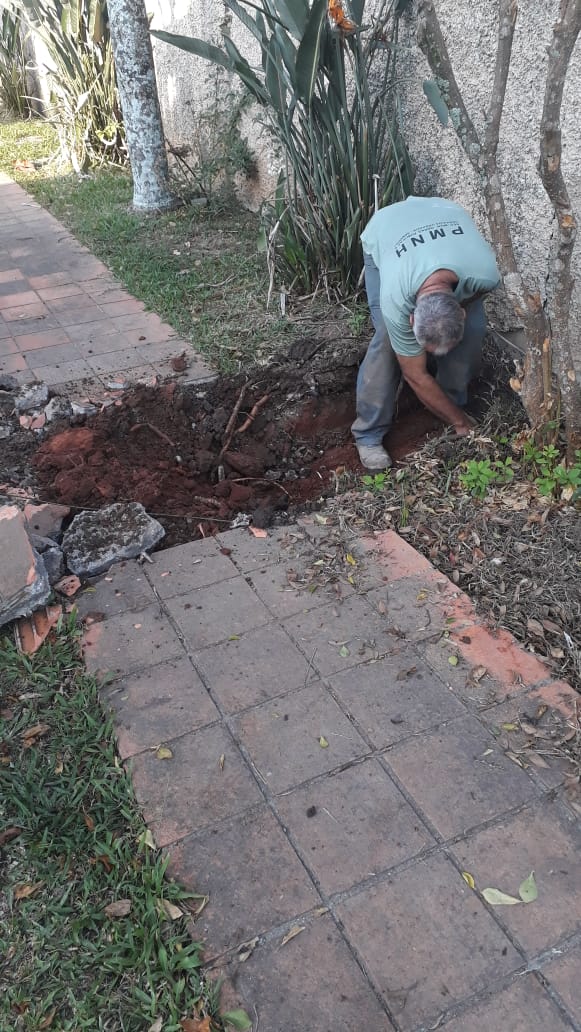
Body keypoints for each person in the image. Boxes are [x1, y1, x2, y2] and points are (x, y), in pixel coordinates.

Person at [352, 195, 500, 470]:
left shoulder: (487, 274)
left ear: (462, 310)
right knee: (386, 343)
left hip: (440, 210)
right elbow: (415, 375)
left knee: (475, 331)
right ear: (411, 318)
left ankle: (450, 402)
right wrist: (462, 424)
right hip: (387, 225)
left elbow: (468, 307)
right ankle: (368, 434)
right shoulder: (396, 299)